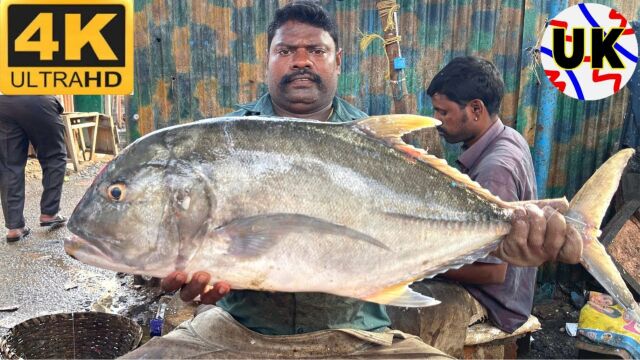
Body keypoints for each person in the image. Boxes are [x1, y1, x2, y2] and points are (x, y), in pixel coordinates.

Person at [124, 2, 582, 358]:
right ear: (266, 61)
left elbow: (439, 233)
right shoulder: (222, 142)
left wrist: (499, 236)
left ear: (337, 60)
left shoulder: (382, 145)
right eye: (286, 51)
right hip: (239, 330)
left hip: (360, 335)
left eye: (316, 51)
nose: (301, 61)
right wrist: (195, 276)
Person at [425, 57, 537, 348]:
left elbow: (492, 271)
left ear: (475, 109)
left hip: (497, 302)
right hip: (502, 288)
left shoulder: (495, 170)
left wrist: (420, 264)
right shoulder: (506, 136)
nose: (437, 120)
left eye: (443, 112)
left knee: (397, 306)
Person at [0, 96, 68, 243]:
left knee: (9, 166)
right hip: (38, 97)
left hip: (3, 101)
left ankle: (14, 228)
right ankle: (49, 213)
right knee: (54, 156)